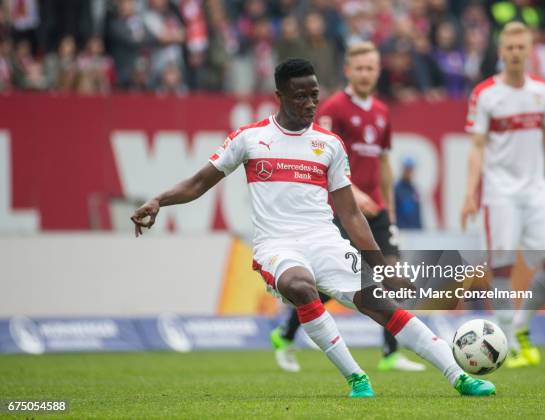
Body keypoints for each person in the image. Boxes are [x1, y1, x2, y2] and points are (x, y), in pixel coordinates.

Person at [131, 58, 495, 398]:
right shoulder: (249, 139)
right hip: (277, 246)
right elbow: (198, 183)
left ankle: (459, 376)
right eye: (300, 96)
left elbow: (351, 214)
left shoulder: (329, 145)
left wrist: (381, 265)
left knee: (384, 306)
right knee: (300, 285)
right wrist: (159, 200)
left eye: (314, 95)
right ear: (280, 96)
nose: (310, 103)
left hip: (326, 242)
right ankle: (357, 379)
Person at [270, 42, 425, 374]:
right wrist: (354, 192)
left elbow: (384, 164)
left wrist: (389, 210)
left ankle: (390, 352)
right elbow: (321, 158)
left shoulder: (382, 112)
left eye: (371, 68)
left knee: (390, 276)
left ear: (378, 71)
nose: (366, 73)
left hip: (377, 211)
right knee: (332, 285)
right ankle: (285, 333)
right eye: (360, 68)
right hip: (344, 209)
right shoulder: (335, 108)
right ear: (349, 71)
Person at [461, 22, 545, 369]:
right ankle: (508, 341)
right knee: (501, 267)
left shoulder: (542, 92)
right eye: (509, 48)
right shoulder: (485, 93)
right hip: (499, 193)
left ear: (530, 51)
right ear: (501, 51)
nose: (515, 53)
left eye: (520, 48)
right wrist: (470, 193)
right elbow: (477, 147)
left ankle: (521, 326)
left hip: (536, 190)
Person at [394, 157, 422, 229]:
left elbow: (418, 214)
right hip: (401, 231)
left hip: (415, 232)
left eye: (411, 169)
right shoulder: (396, 189)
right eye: (407, 169)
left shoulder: (414, 190)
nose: (409, 172)